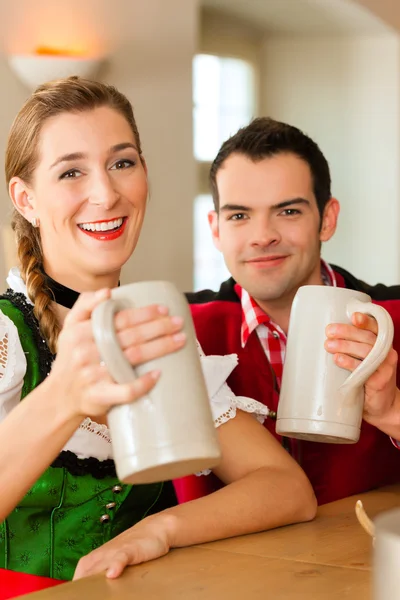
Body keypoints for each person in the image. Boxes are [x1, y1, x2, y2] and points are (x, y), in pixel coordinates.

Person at [0, 80, 317, 582]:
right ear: (26, 199)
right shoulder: (5, 337)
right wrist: (64, 393)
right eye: (71, 172)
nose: (105, 193)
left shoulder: (152, 330)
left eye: (122, 162)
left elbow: (287, 489)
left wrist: (158, 530)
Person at [185, 116, 400, 507]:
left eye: (287, 212)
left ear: (327, 219)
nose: (263, 235)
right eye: (239, 215)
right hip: (225, 567)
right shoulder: (178, 332)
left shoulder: (395, 317)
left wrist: (392, 412)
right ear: (216, 230)